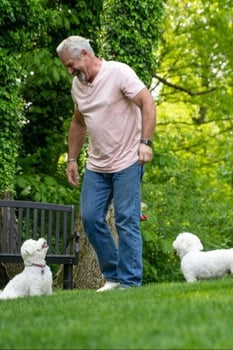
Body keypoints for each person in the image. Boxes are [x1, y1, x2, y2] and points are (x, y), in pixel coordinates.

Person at [56, 36, 156, 291]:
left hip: (127, 161)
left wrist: (146, 142)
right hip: (97, 166)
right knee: (90, 217)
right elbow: (78, 123)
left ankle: (130, 284)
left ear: (85, 55)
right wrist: (72, 159)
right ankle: (113, 276)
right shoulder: (77, 87)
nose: (69, 71)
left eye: (71, 64)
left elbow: (147, 103)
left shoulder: (118, 73)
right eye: (66, 66)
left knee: (126, 219)